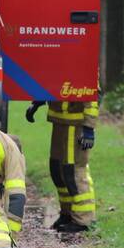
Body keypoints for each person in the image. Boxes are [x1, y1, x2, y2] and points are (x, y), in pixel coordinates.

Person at [26, 99, 98, 233]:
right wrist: (38, 101)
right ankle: (67, 213)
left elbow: (91, 95)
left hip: (76, 124)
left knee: (72, 170)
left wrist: (88, 128)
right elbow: (54, 83)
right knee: (57, 170)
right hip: (59, 121)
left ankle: (83, 220)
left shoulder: (85, 76)